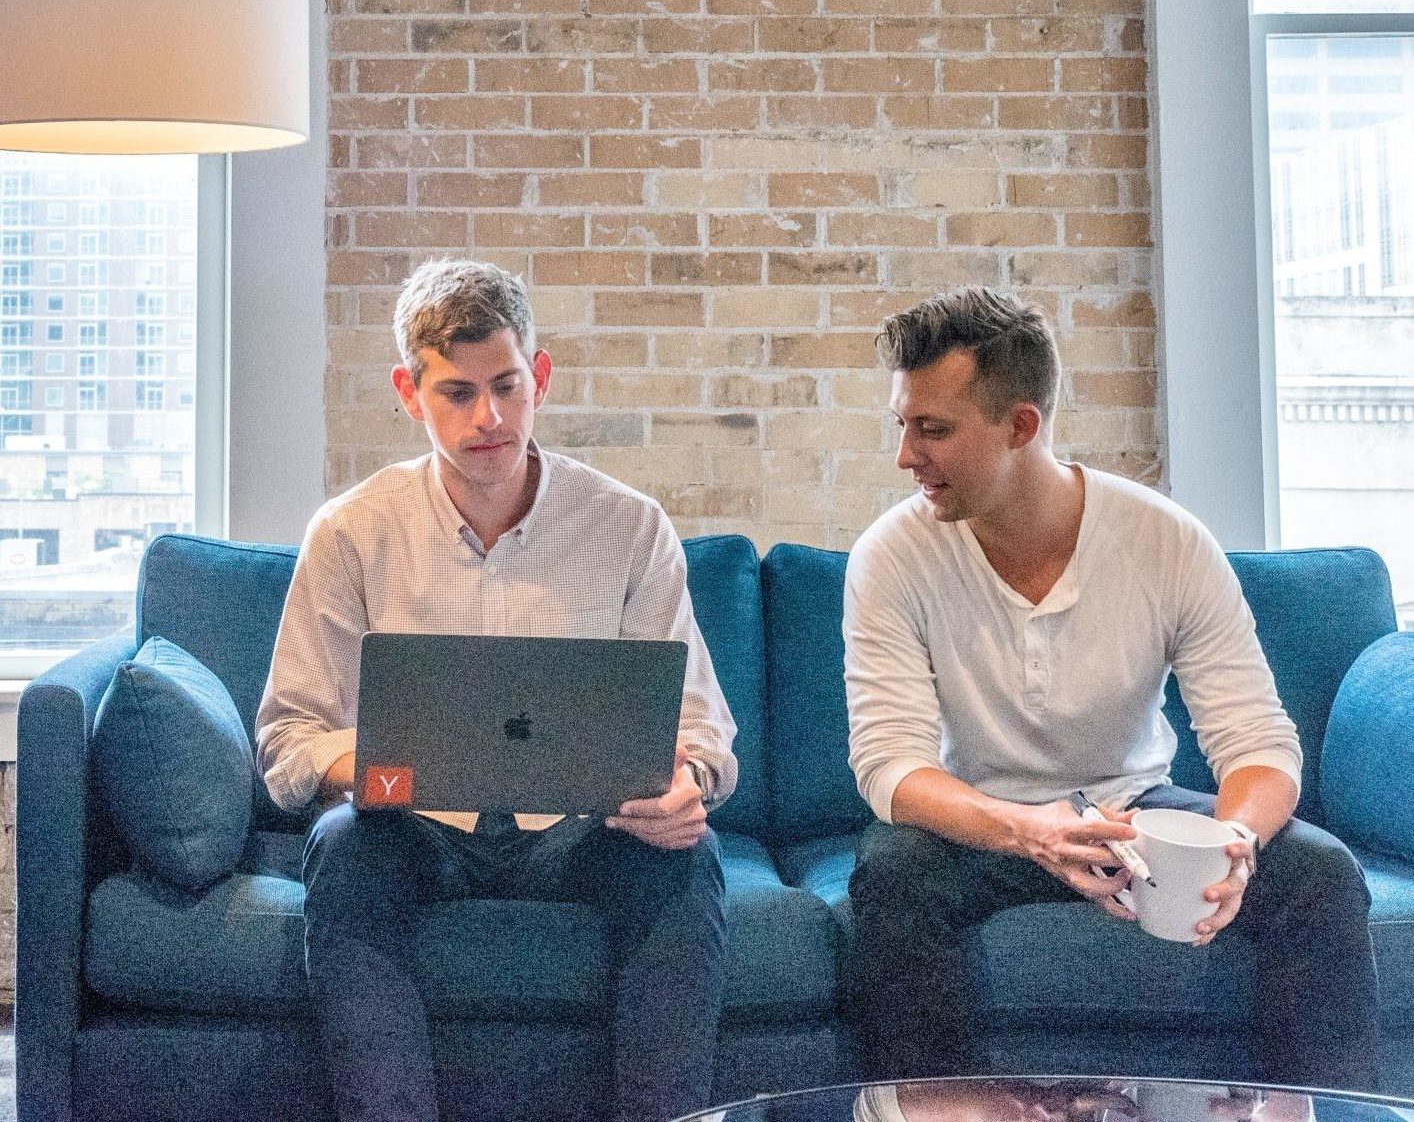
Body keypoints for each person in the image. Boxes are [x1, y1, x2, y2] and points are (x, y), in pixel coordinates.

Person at [842, 286, 1380, 1090]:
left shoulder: (1166, 542)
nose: (905, 455)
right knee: (892, 875)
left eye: (934, 429)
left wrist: (1231, 846)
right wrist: (1029, 831)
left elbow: (1258, 742)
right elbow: (890, 765)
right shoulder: (892, 555)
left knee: (1320, 874)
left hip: (1135, 811)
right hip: (980, 821)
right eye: (903, 425)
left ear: (1021, 426)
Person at [255, 257, 738, 1122]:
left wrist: (686, 786)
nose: (489, 417)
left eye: (508, 386)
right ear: (409, 393)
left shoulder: (628, 525)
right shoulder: (350, 532)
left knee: (687, 860)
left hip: (582, 831)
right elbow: (289, 736)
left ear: (539, 378)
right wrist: (386, 764)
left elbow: (700, 729)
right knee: (341, 844)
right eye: (456, 393)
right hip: (416, 828)